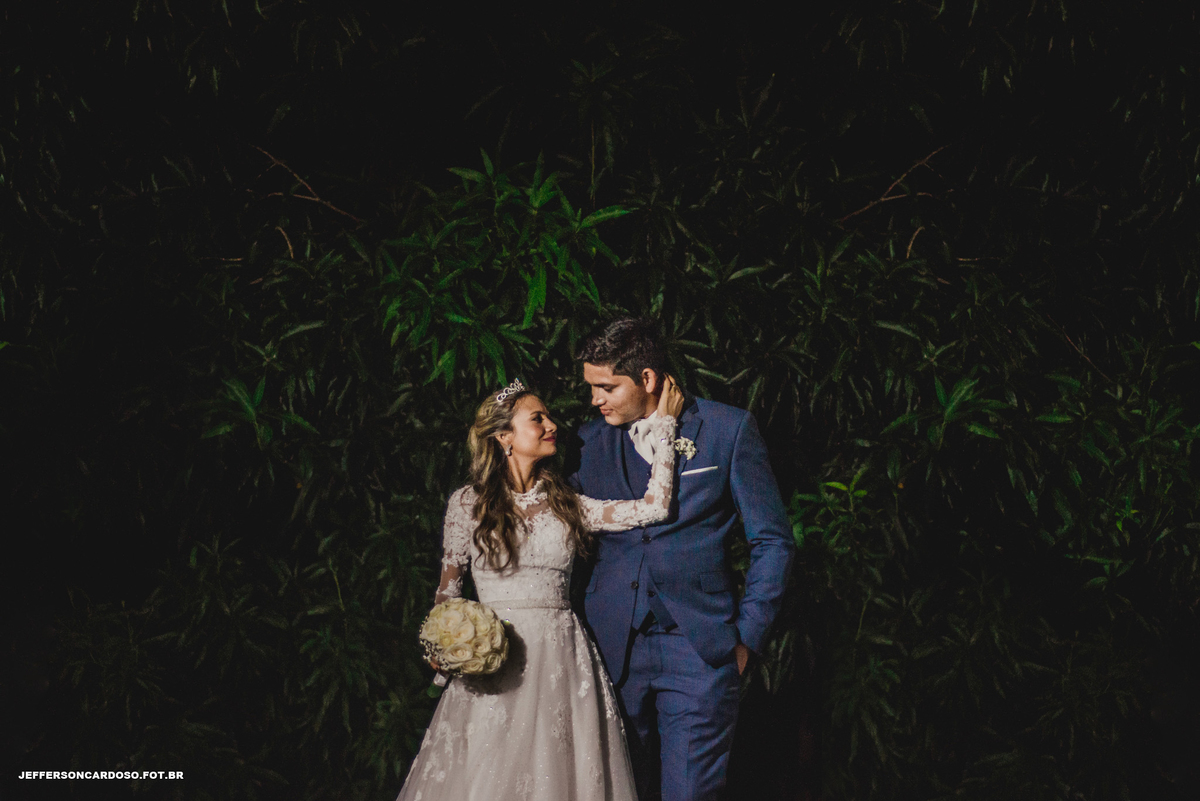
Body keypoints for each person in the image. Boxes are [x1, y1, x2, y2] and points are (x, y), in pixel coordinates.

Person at [395, 375, 686, 801]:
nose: (551, 425)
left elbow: (655, 508)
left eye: (548, 416)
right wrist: (448, 646)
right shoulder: (467, 504)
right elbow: (448, 593)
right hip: (492, 665)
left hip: (560, 659)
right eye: (538, 418)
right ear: (504, 437)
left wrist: (664, 427)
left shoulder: (566, 502)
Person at [571, 317, 794, 801]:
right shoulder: (584, 445)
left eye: (606, 387)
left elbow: (773, 540)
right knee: (613, 790)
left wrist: (747, 638)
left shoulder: (727, 429)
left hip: (699, 648)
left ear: (646, 378)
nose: (595, 399)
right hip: (611, 650)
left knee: (690, 793)